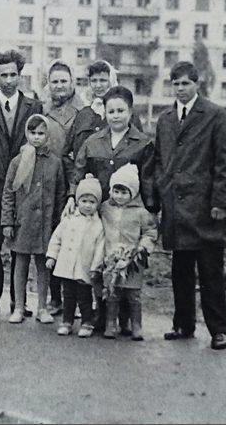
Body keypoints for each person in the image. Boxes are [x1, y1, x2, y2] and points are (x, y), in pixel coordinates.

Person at [144, 61, 226, 351]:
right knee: (180, 271)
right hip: (176, 207)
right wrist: (160, 191)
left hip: (206, 208)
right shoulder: (166, 119)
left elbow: (225, 163)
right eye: (176, 84)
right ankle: (183, 324)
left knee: (210, 272)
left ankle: (219, 330)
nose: (181, 89)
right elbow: (160, 159)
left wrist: (220, 202)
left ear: (197, 84)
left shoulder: (215, 116)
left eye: (186, 83)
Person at [69, 85, 153, 335]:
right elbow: (79, 170)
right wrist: (73, 196)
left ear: (130, 112)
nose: (116, 115)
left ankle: (126, 318)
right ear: (104, 112)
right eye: (111, 111)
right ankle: (103, 314)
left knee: (125, 262)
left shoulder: (143, 143)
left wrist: (150, 210)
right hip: (100, 213)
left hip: (129, 216)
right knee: (99, 261)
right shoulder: (93, 141)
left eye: (121, 110)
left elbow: (149, 180)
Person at [0, 49, 44, 318]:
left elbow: (39, 141)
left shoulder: (33, 107)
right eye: (4, 75)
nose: (9, 80)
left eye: (14, 75)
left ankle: (19, 301)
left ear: (20, 75)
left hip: (22, 188)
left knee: (19, 249)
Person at [1, 114, 66, 324]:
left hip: (46, 224)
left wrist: (59, 224)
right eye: (32, 133)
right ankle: (19, 307)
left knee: (43, 266)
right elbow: (8, 193)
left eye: (41, 133)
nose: (36, 137)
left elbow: (60, 195)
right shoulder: (17, 161)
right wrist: (7, 221)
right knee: (20, 264)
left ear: (47, 135)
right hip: (22, 222)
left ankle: (42, 308)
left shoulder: (55, 163)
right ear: (26, 134)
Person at [39, 58, 86, 316]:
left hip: (73, 181)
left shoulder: (83, 110)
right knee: (52, 240)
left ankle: (76, 301)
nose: (59, 86)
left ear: (72, 83)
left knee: (75, 240)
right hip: (49, 181)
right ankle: (54, 297)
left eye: (64, 81)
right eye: (54, 81)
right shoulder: (42, 109)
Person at [98, 163, 157, 341]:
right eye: (116, 191)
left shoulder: (141, 213)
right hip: (111, 258)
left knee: (133, 295)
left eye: (124, 192)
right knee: (112, 293)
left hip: (133, 261)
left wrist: (143, 248)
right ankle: (111, 323)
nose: (119, 196)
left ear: (133, 193)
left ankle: (135, 325)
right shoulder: (105, 208)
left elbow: (150, 232)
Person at [46, 175, 105, 338]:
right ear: (78, 201)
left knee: (84, 296)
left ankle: (87, 322)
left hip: (84, 267)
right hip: (67, 265)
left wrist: (95, 267)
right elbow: (57, 238)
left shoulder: (98, 225)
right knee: (68, 295)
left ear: (97, 204)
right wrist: (52, 256)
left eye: (92, 202)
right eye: (84, 201)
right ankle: (67, 321)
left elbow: (100, 248)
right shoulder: (69, 219)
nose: (87, 205)